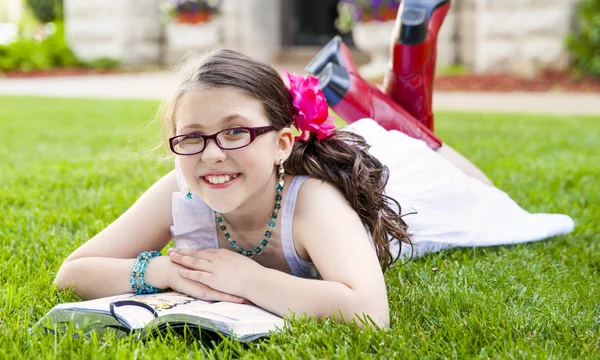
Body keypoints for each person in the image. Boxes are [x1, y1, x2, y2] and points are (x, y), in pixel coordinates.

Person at [54, 49, 574, 328]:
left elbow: (369, 313)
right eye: (192, 136)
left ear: (281, 143)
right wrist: (164, 272)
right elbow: (72, 274)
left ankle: (387, 110)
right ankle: (369, 103)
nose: (212, 153)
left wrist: (246, 277)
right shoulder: (182, 186)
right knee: (382, 142)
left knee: (477, 192)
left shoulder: (313, 203)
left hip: (404, 184)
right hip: (336, 157)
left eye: (235, 131)